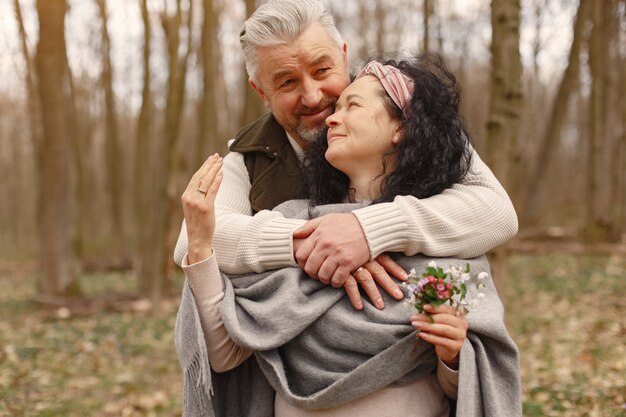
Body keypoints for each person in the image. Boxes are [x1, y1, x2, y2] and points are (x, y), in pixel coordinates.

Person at [175, 56, 521, 417]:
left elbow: (466, 388)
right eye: (336, 108)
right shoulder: (289, 220)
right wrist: (200, 246)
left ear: (402, 127)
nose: (330, 118)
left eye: (351, 105)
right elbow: (225, 354)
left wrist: (453, 355)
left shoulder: (448, 235)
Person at [173, 0, 519, 312]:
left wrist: (367, 230)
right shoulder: (247, 157)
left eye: (322, 70)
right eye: (287, 83)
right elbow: (194, 239)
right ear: (261, 92)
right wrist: (313, 244)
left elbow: (496, 212)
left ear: (343, 55)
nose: (312, 97)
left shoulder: (407, 111)